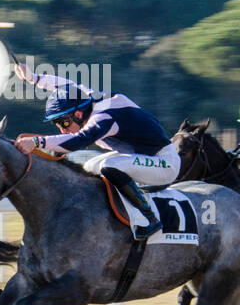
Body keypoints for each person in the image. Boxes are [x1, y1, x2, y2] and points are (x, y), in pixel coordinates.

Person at [13, 62, 179, 238]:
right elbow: (65, 86)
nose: (62, 129)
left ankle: (148, 218)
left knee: (110, 165)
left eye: (64, 122)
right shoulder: (86, 99)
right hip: (139, 156)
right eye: (57, 123)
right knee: (88, 167)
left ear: (78, 114)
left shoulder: (104, 118)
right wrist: (33, 78)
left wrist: (38, 142)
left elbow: (77, 141)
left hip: (164, 164)